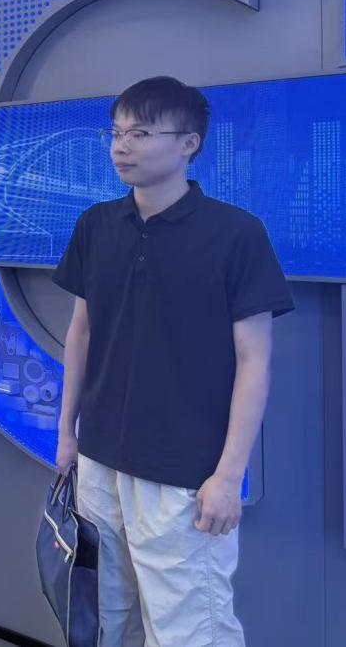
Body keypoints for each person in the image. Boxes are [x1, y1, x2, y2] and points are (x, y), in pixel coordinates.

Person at [51, 77, 293, 647]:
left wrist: (228, 475)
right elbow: (81, 332)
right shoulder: (95, 225)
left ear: (189, 143)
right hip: (100, 461)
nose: (121, 146)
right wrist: (66, 433)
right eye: (115, 133)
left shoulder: (236, 234)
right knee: (105, 616)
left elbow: (255, 362)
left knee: (190, 629)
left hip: (184, 472)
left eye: (140, 133)